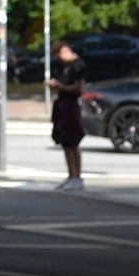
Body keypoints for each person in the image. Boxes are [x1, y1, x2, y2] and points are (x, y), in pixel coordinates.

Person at [48, 42, 86, 191]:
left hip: (71, 106)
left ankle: (77, 176)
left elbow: (79, 88)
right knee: (65, 142)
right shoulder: (64, 66)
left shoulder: (78, 66)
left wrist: (60, 86)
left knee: (73, 141)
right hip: (62, 105)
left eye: (61, 54)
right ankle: (71, 175)